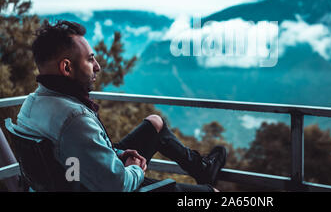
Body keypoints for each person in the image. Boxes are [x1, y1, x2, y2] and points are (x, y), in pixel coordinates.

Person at [14, 19, 227, 192]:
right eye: (90, 60)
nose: (97, 66)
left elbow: (75, 156)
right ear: (67, 67)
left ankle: (203, 169)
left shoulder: (31, 105)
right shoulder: (74, 119)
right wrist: (135, 169)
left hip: (83, 178)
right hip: (110, 185)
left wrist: (119, 155)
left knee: (155, 123)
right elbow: (117, 185)